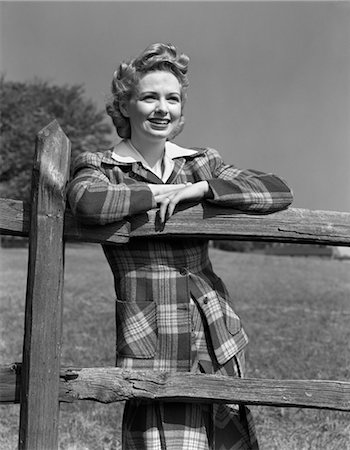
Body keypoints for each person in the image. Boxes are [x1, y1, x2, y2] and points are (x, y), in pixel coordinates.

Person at [67, 42, 293, 450]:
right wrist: (156, 193)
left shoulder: (200, 162)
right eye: (149, 96)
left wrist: (202, 188)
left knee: (225, 441)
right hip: (151, 339)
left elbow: (277, 191)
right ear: (125, 105)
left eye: (171, 99)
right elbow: (86, 201)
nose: (161, 108)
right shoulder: (101, 166)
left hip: (216, 332)